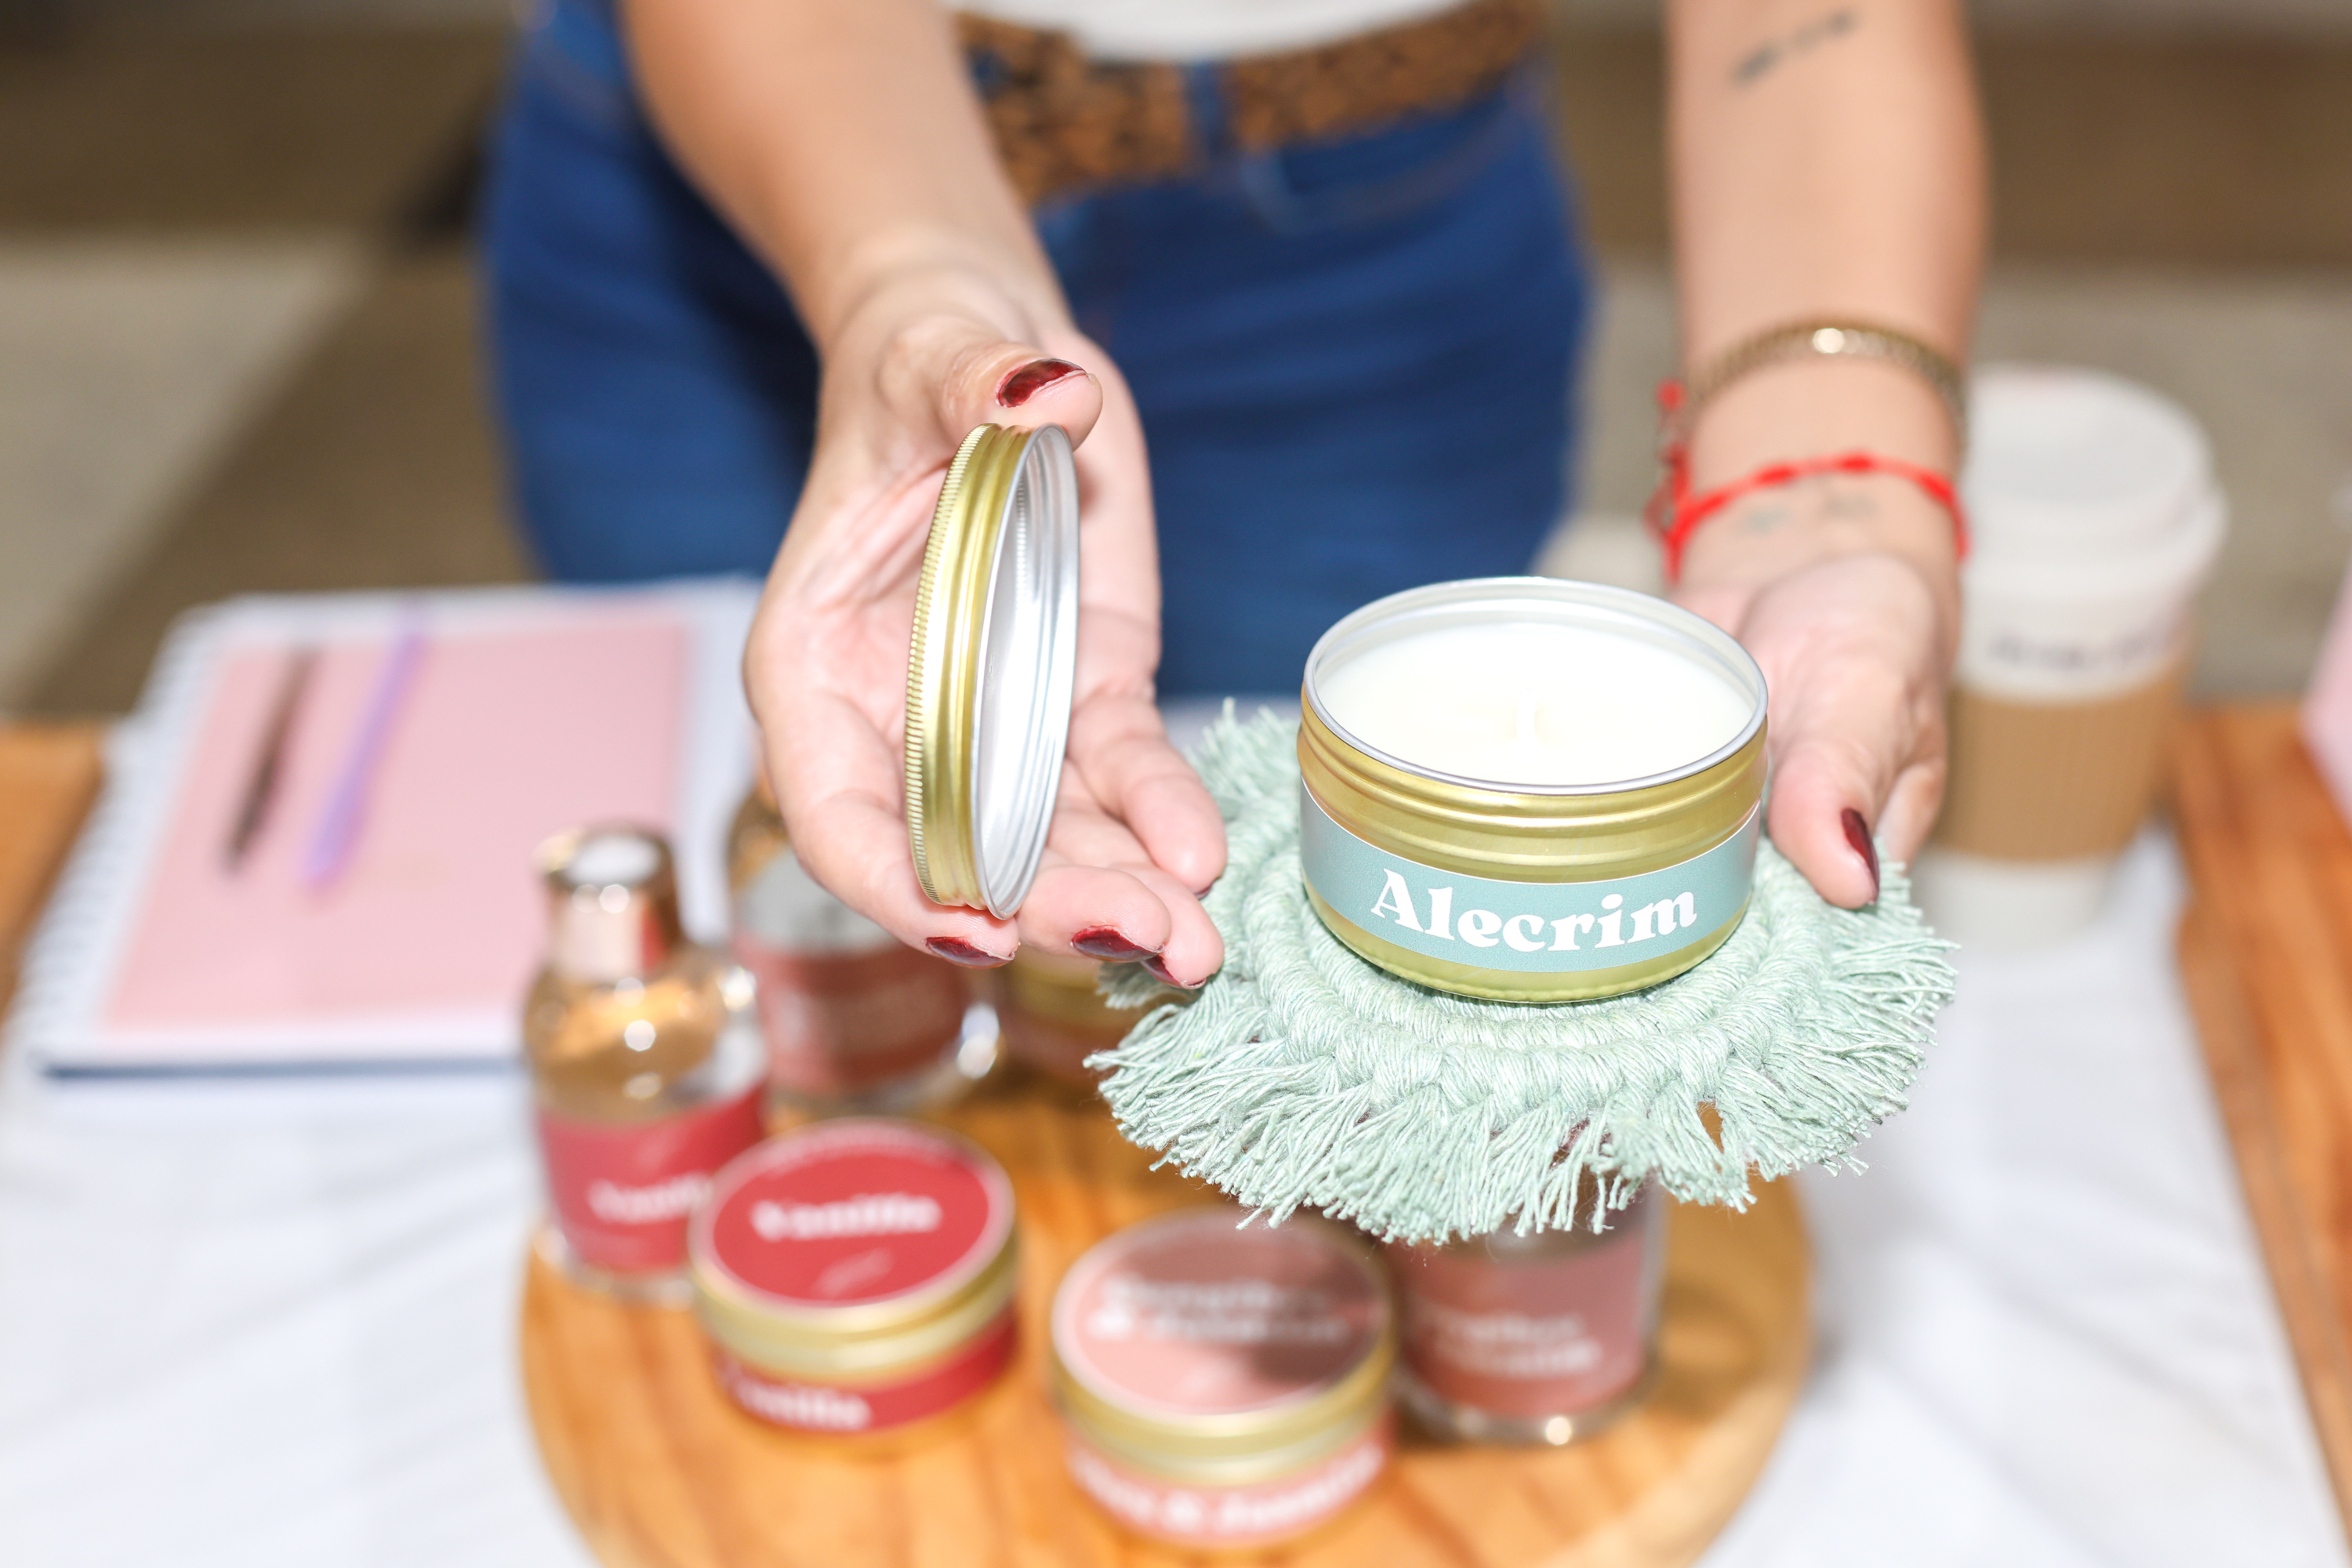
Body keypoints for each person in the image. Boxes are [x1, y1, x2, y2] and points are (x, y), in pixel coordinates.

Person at [485, 0, 1984, 989]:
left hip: (1385, 227)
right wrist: (911, 287)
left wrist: (1828, 500)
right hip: (767, 148)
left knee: (1380, 970)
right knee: (730, 930)